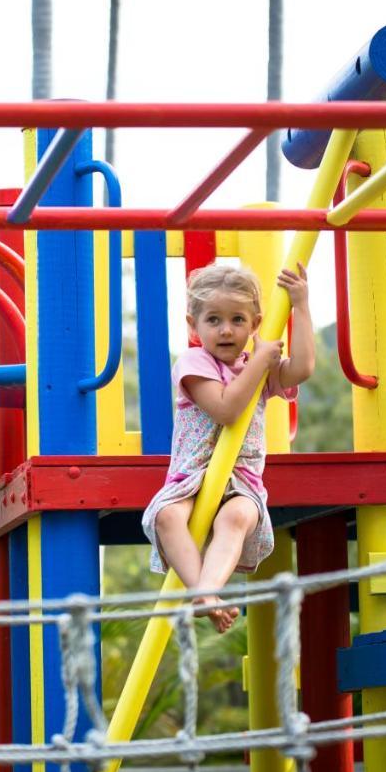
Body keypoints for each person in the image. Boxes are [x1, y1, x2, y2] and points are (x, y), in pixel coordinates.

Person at [142, 261, 314, 633]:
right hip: (191, 478)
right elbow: (226, 409)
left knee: (235, 518)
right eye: (214, 320)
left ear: (255, 325)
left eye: (238, 320)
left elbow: (301, 368)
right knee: (166, 517)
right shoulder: (192, 363)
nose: (226, 330)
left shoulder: (259, 365)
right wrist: (263, 362)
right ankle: (203, 595)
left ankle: (208, 590)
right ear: (194, 326)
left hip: (242, 481)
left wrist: (300, 305)